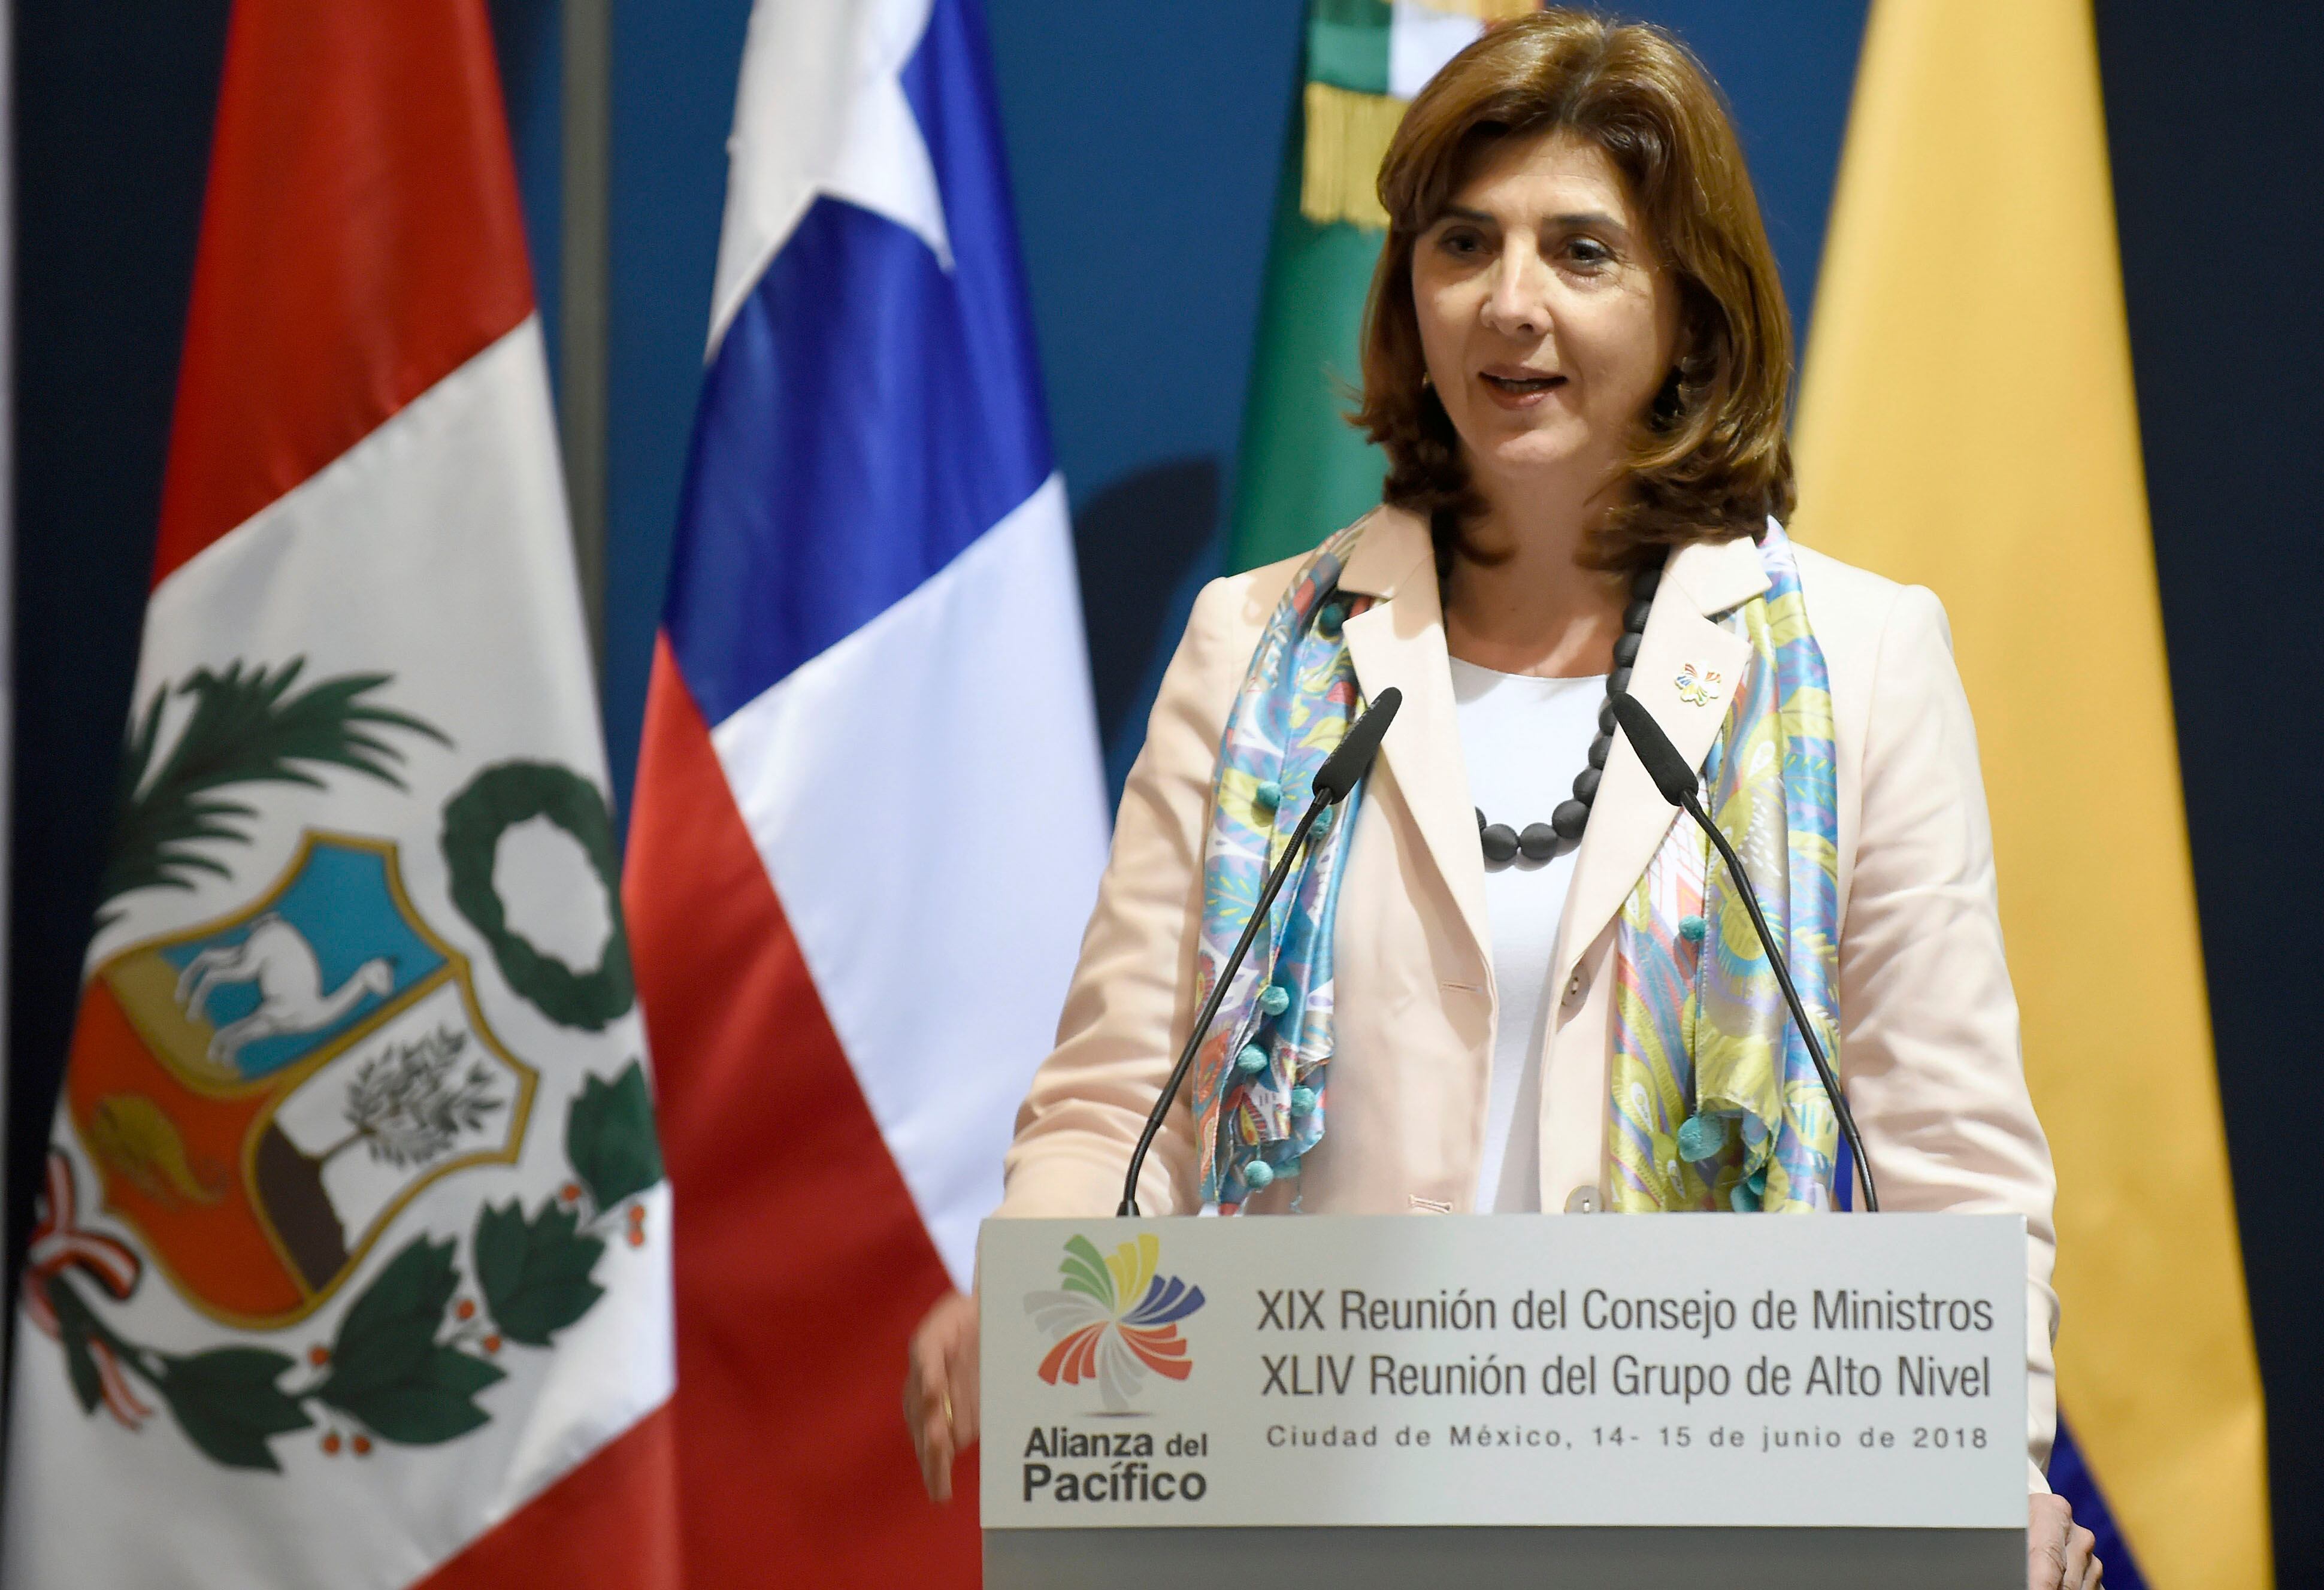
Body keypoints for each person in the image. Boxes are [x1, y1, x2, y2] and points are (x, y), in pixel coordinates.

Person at [905, 11, 2098, 1586]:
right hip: (1311, 1511)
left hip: (1717, 1513)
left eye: (1582, 250)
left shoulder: (1857, 668)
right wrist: (1054, 1290)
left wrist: (1981, 1481)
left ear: (1690, 309)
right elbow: (1124, 1096)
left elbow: (1949, 1164)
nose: (1511, 303)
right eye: (1465, 241)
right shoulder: (1262, 650)